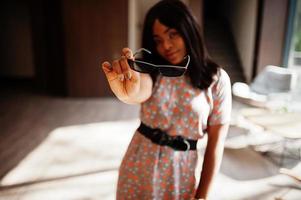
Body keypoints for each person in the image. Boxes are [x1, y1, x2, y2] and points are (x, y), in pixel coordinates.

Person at [101, 0, 232, 199]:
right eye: (158, 40)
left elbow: (216, 143)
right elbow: (139, 90)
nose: (166, 46)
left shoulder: (217, 80)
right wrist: (126, 93)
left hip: (179, 173)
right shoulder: (152, 71)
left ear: (189, 30)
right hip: (138, 165)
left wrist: (203, 196)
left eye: (173, 34)